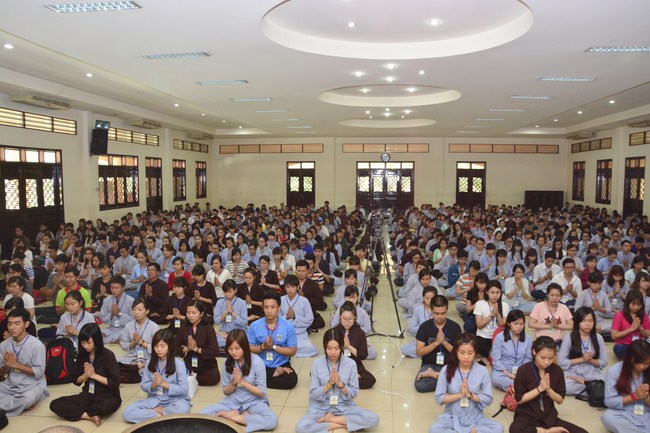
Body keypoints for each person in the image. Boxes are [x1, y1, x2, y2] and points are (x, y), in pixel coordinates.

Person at [295, 328, 379, 433]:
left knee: (373, 419)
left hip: (343, 406)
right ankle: (343, 425)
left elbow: (353, 393)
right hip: (320, 407)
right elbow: (314, 394)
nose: (333, 352)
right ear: (324, 347)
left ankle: (331, 420)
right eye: (329, 348)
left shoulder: (350, 364)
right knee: (301, 428)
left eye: (336, 348)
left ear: (342, 347)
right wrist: (329, 384)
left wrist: (340, 384)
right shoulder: (317, 363)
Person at [199, 329, 278, 432]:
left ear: (244, 347)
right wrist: (233, 383)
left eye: (237, 348)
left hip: (254, 401)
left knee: (272, 420)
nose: (233, 352)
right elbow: (225, 392)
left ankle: (235, 418)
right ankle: (244, 417)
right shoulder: (227, 363)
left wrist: (242, 382)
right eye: (230, 349)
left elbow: (261, 392)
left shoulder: (257, 362)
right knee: (201, 415)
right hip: (233, 401)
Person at [509, 335, 588, 433]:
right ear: (534, 352)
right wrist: (539, 389)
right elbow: (519, 400)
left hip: (548, 417)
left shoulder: (557, 370)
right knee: (515, 430)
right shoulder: (524, 370)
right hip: (527, 416)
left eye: (551, 358)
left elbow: (560, 400)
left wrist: (548, 389)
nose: (546, 362)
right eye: (542, 357)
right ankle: (546, 431)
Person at [429, 333, 503, 433]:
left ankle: (472, 431)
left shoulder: (482, 371)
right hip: (452, 416)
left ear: (475, 352)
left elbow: (488, 398)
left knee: (498, 428)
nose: (466, 357)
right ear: (456, 351)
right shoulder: (446, 370)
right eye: (462, 353)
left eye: (470, 353)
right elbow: (439, 398)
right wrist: (459, 395)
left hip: (475, 417)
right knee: (434, 429)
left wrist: (470, 395)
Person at [50, 323, 121, 426]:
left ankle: (79, 412)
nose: (85, 346)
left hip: (107, 396)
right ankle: (88, 416)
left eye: (88, 343)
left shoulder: (108, 355)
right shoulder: (82, 356)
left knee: (103, 408)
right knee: (55, 404)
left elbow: (114, 382)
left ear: (96, 340)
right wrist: (85, 376)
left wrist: (94, 375)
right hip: (88, 395)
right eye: (83, 343)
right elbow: (76, 381)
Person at [122, 329, 191, 423]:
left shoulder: (179, 363)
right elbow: (143, 385)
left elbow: (184, 389)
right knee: (127, 413)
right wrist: (153, 385)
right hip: (155, 399)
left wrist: (163, 384)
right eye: (156, 346)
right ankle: (160, 416)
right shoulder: (149, 362)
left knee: (183, 410)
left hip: (175, 400)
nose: (159, 349)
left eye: (162, 346)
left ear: (170, 346)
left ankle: (156, 413)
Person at [0, 308, 49, 417]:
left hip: (32, 386)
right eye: (9, 324)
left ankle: (11, 405)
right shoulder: (4, 345)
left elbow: (39, 372)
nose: (12, 327)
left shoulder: (37, 345)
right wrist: (7, 367)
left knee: (27, 398)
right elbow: (1, 373)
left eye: (17, 323)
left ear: (26, 324)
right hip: (10, 385)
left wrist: (16, 365)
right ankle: (14, 405)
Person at [248, 290, 298, 389]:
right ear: (262, 307)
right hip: (261, 364)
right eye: (266, 307)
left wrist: (273, 347)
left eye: (273, 307)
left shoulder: (288, 326)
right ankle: (273, 374)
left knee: (291, 380)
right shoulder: (254, 325)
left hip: (281, 363)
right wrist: (263, 347)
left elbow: (292, 351)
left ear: (279, 307)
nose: (269, 311)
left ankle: (261, 379)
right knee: (245, 371)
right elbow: (250, 348)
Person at [414, 295, 463, 393]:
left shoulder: (455, 327)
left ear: (447, 310)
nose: (440, 317)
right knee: (420, 385)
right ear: (431, 310)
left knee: (463, 382)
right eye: (436, 313)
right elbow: (419, 352)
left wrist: (444, 342)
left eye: (443, 313)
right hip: (430, 365)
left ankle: (434, 375)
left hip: (449, 365)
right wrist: (436, 343)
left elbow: (459, 353)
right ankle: (446, 381)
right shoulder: (424, 327)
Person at [601, 339, 650, 433]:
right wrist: (634, 396)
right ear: (629, 358)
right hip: (626, 414)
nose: (642, 366)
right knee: (607, 416)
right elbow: (609, 402)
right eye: (638, 362)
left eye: (647, 363)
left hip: (647, 414)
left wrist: (646, 398)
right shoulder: (614, 371)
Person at [557, 306, 607, 396]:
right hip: (573, 372)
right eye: (583, 321)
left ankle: (590, 387)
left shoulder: (598, 337)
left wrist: (590, 360)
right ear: (577, 322)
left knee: (610, 381)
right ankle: (594, 389)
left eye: (590, 321)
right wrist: (582, 359)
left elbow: (604, 362)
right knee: (564, 386)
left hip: (592, 372)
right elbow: (561, 362)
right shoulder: (569, 337)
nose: (587, 324)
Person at [173, 300, 220, 386]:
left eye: (194, 313)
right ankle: (190, 378)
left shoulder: (209, 328)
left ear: (201, 314)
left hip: (206, 363)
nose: (190, 315)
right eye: (188, 313)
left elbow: (215, 351)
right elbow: (173, 347)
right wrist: (187, 349)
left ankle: (190, 379)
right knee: (173, 372)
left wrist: (196, 349)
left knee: (214, 377)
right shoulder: (184, 327)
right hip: (189, 362)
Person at [334, 301, 376, 389]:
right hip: (337, 364)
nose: (347, 321)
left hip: (354, 363)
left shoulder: (360, 333)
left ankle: (341, 381)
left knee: (370, 380)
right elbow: (329, 354)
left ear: (355, 318)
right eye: (344, 318)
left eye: (350, 319)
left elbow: (363, 355)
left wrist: (349, 347)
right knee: (315, 374)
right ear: (340, 317)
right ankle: (347, 380)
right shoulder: (334, 331)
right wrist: (342, 347)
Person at [118, 298, 159, 383]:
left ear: (147, 311)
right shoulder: (129, 326)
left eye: (139, 310)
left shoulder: (154, 327)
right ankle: (135, 369)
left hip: (148, 358)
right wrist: (133, 342)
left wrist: (141, 342)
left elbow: (158, 349)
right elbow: (123, 345)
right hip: (132, 358)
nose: (136, 312)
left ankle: (138, 369)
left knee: (152, 368)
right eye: (134, 309)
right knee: (115, 361)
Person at [491, 309, 532, 391]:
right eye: (515, 324)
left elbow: (528, 358)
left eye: (521, 324)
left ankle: (513, 387)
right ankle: (518, 387)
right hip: (503, 370)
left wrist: (520, 373)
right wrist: (508, 374)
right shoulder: (499, 337)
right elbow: (496, 360)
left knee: (534, 376)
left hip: (521, 370)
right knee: (496, 378)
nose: (518, 327)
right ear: (509, 323)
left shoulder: (527, 338)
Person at [280, 274, 319, 357]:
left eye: (293, 287)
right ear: (284, 287)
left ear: (297, 287)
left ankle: (286, 351)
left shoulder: (304, 301)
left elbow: (310, 319)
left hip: (299, 332)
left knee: (309, 348)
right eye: (288, 287)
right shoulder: (281, 300)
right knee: (276, 344)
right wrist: (286, 317)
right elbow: (275, 318)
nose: (290, 290)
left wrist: (294, 317)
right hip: (284, 332)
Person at [611, 289, 650, 360]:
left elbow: (647, 335)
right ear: (627, 303)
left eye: (639, 305)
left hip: (638, 345)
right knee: (618, 348)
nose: (636, 307)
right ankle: (636, 359)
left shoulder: (644, 316)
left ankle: (635, 359)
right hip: (624, 345)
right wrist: (631, 329)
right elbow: (614, 336)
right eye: (633, 304)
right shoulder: (619, 315)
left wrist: (640, 328)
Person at [474, 280, 509, 358]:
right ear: (487, 292)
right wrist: (492, 315)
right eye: (492, 292)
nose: (495, 295)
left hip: (498, 337)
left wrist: (498, 314)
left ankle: (490, 353)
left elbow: (503, 327)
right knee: (479, 347)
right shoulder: (480, 304)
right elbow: (479, 325)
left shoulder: (505, 305)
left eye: (498, 292)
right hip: (484, 337)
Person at [401, 285, 437, 358]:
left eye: (432, 298)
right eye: (427, 298)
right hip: (421, 339)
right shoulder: (418, 309)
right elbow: (411, 328)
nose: (429, 301)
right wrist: (424, 328)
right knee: (404, 349)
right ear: (423, 297)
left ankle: (425, 352)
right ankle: (427, 353)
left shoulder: (439, 309)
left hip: (434, 340)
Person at [99, 275, 134, 344]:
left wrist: (119, 313)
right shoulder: (108, 299)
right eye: (112, 288)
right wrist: (111, 314)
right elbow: (103, 318)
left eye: (116, 288)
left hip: (124, 329)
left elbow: (134, 321)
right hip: (111, 328)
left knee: (126, 335)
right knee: (96, 335)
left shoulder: (131, 301)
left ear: (123, 288)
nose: (113, 290)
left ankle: (116, 340)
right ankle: (114, 340)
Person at [214, 279, 249, 348]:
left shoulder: (242, 303)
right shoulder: (220, 302)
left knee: (243, 341)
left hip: (238, 332)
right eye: (225, 292)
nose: (228, 294)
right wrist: (226, 311)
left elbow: (244, 322)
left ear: (235, 290)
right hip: (225, 332)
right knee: (214, 341)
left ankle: (229, 341)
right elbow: (216, 321)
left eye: (230, 292)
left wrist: (232, 312)